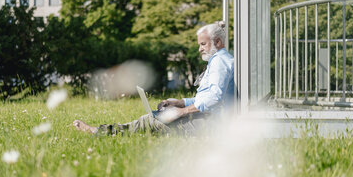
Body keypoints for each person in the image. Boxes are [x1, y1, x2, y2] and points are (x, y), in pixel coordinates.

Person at [73, 21, 235, 136]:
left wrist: (183, 111)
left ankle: (99, 132)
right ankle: (106, 131)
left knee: (151, 121)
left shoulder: (220, 62)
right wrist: (179, 103)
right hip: (209, 120)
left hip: (211, 125)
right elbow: (207, 97)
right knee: (158, 116)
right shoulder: (218, 60)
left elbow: (215, 98)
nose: (199, 49)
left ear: (218, 42)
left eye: (203, 44)